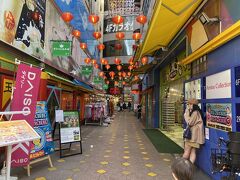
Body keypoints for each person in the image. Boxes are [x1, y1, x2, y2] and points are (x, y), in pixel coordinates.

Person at [183, 98, 205, 164]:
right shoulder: (197, 111)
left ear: (192, 104)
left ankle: (181, 167)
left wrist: (186, 113)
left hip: (192, 136)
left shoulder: (195, 112)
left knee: (187, 151)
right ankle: (189, 167)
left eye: (189, 104)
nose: (188, 105)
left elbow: (190, 123)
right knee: (193, 151)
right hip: (196, 136)